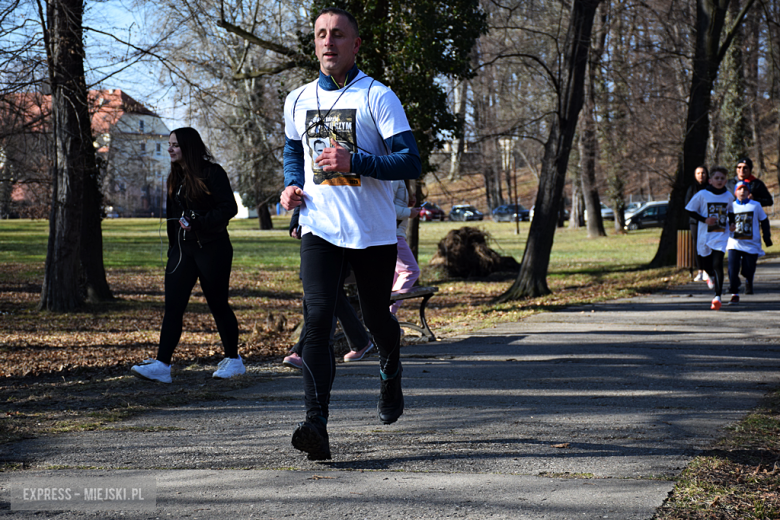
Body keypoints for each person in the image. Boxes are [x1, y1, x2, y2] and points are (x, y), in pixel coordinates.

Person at [280, 7, 421, 461]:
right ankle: (316, 425)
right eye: (321, 34)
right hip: (318, 227)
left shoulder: (378, 97)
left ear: (354, 44)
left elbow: (409, 162)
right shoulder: (298, 99)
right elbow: (291, 147)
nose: (328, 42)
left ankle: (390, 366)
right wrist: (291, 184)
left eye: (338, 35)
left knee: (378, 318)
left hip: (371, 232)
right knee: (318, 321)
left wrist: (354, 161)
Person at [131, 128, 244, 383]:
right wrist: (173, 248)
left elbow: (229, 207)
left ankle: (234, 360)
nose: (170, 149)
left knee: (218, 304)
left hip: (212, 249)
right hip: (182, 252)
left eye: (175, 145)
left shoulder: (212, 173)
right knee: (173, 307)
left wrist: (200, 222)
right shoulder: (174, 177)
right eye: (169, 144)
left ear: (189, 147)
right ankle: (162, 365)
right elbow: (173, 220)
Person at [283, 207, 374, 370]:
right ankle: (360, 341)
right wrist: (295, 222)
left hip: (341, 236)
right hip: (313, 234)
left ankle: (305, 350)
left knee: (322, 297)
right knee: (331, 296)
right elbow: (303, 190)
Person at [685, 166, 735, 311]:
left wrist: (732, 224)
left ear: (725, 180)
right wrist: (704, 219)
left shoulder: (728, 195)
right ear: (710, 180)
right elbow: (689, 210)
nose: (719, 181)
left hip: (720, 234)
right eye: (717, 178)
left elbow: (731, 212)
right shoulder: (702, 194)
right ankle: (710, 276)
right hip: (705, 234)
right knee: (707, 264)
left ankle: (717, 296)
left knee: (717, 263)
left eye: (722, 178)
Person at [727, 181, 773, 304]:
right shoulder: (730, 206)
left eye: (745, 190)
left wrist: (767, 238)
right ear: (735, 192)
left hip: (751, 244)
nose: (742, 192)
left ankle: (748, 280)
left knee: (748, 270)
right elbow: (724, 223)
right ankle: (734, 292)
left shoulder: (756, 205)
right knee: (732, 268)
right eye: (740, 189)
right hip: (734, 243)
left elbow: (764, 221)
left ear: (749, 192)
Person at [389, 180, 421, 315]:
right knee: (411, 271)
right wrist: (408, 212)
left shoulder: (399, 177)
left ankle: (386, 319)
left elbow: (393, 203)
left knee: (396, 276)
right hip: (393, 235)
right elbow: (386, 207)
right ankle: (388, 314)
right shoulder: (394, 178)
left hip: (394, 234)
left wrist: (408, 203)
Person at [685, 166, 710, 283]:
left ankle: (708, 270)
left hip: (709, 221)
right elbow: (688, 205)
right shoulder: (692, 188)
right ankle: (700, 270)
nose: (701, 175)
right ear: (695, 175)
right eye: (699, 173)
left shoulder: (711, 188)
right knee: (697, 245)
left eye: (703, 173)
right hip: (695, 222)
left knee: (708, 244)